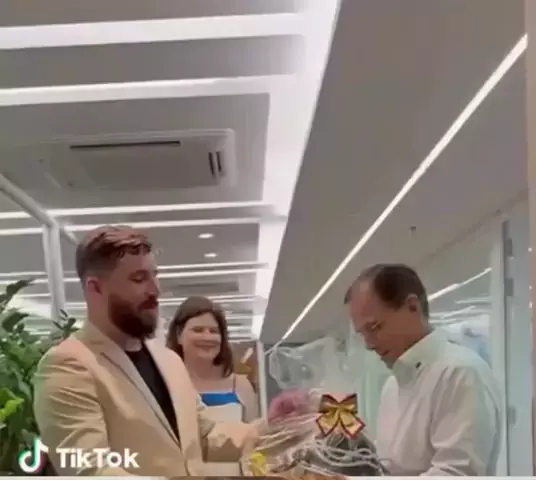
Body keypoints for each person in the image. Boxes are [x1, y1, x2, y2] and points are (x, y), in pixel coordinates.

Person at [32, 225, 292, 476]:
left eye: (154, 275)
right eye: (139, 279)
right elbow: (90, 470)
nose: (155, 290)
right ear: (95, 288)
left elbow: (205, 435)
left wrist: (275, 424)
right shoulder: (68, 366)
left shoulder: (169, 361)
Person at [344, 263, 503, 476]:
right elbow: (390, 468)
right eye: (362, 334)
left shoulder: (460, 373)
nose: (369, 344)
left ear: (413, 307)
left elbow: (456, 474)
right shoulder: (392, 386)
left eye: (374, 327)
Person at [166, 296, 259, 475]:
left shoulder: (240, 385)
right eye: (198, 330)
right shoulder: (166, 384)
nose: (207, 337)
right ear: (179, 335)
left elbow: (254, 443)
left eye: (214, 331)